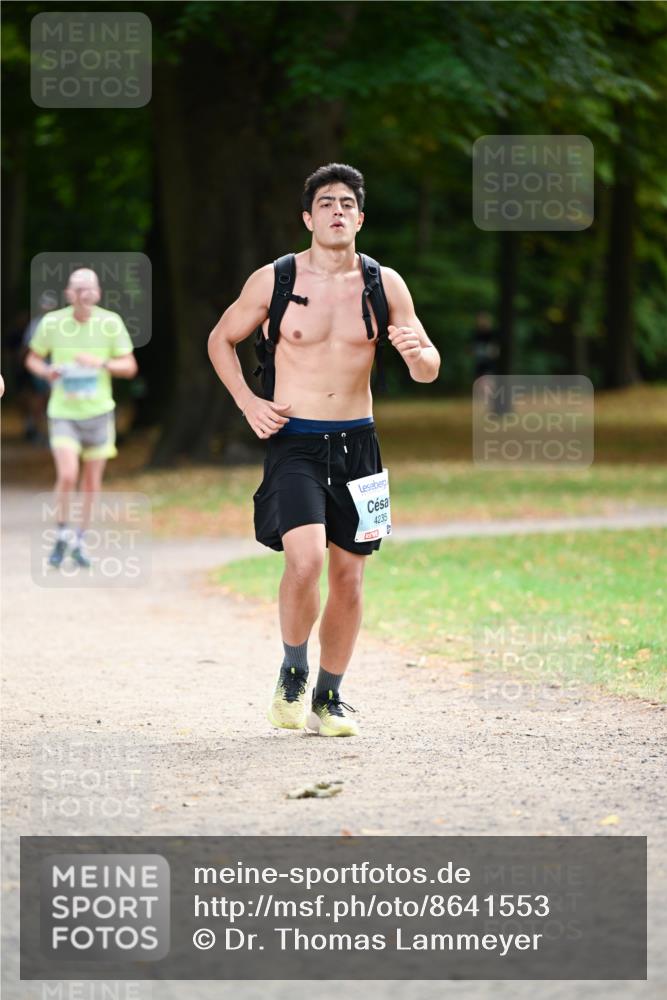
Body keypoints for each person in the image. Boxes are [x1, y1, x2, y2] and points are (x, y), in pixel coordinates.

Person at [208, 163, 440, 737]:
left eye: (347, 204)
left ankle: (329, 698)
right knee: (305, 560)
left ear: (360, 218)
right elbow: (221, 338)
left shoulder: (385, 283)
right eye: (326, 203)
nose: (337, 211)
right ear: (308, 217)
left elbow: (430, 369)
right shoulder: (276, 279)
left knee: (351, 578)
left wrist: (415, 354)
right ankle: (293, 671)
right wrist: (246, 402)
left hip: (360, 444)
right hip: (295, 440)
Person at [24, 268, 138, 568]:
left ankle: (81, 539)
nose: (83, 294)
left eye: (89, 288)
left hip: (99, 412)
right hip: (63, 412)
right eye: (77, 288)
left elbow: (129, 366)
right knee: (67, 474)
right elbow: (32, 359)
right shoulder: (52, 323)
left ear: (98, 293)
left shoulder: (110, 323)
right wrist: (47, 371)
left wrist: (100, 363)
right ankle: (62, 532)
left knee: (90, 482)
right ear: (68, 294)